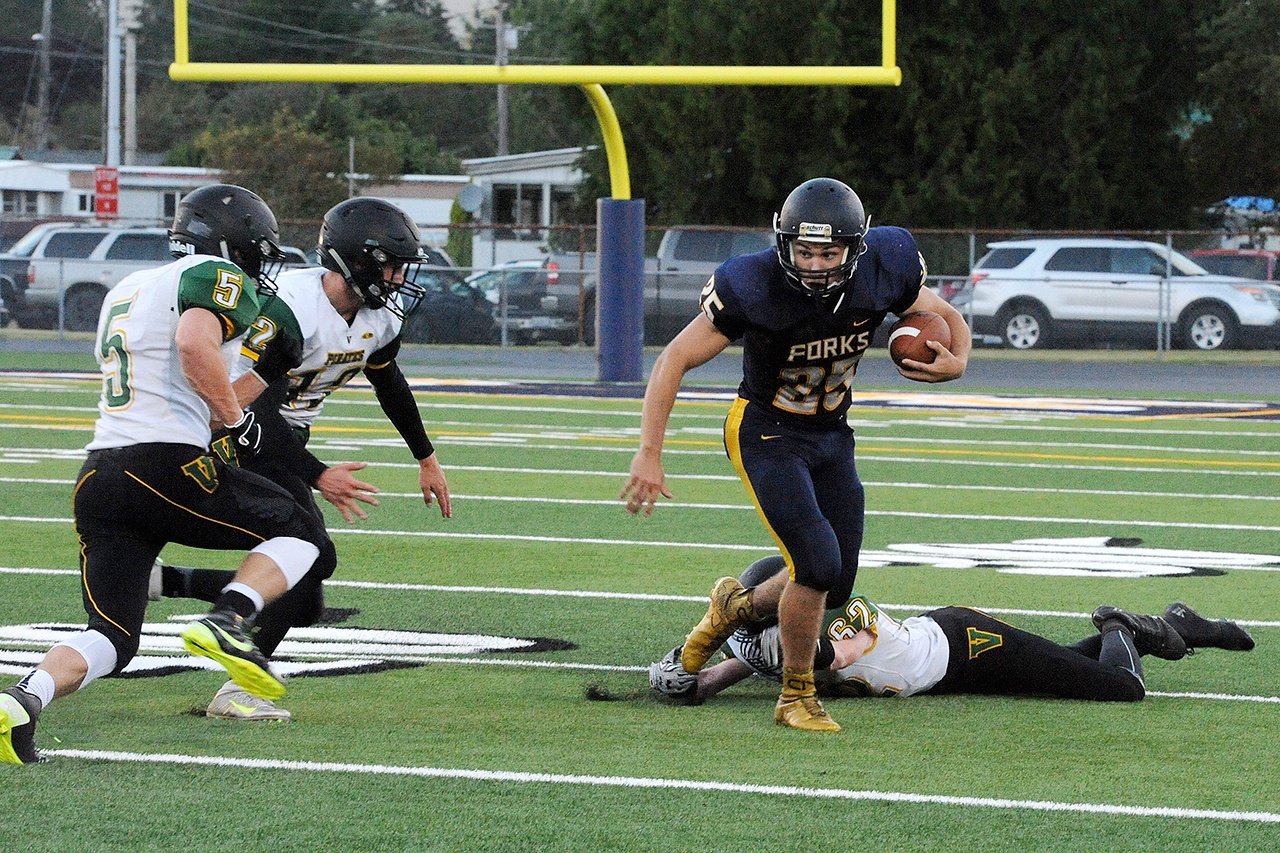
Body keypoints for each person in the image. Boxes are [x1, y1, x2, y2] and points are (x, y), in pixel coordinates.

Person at [621, 177, 972, 732]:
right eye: (802, 251)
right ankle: (796, 696)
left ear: (855, 248)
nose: (813, 265)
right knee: (814, 561)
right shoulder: (752, 283)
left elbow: (945, 318)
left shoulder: (886, 262)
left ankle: (731, 611)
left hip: (831, 433)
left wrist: (958, 362)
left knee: (836, 580)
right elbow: (674, 358)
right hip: (765, 430)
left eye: (827, 253)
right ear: (783, 243)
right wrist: (649, 452)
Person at [0, 185, 332, 764]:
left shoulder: (128, 287)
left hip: (99, 476)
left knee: (111, 639)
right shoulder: (211, 271)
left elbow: (184, 372)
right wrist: (237, 421)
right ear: (231, 244)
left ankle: (22, 702)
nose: (262, 263)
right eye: (258, 249)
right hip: (162, 464)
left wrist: (240, 390)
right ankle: (228, 618)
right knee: (304, 536)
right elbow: (191, 345)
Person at [150, 196, 453, 721]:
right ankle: (239, 684)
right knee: (312, 553)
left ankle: (166, 582)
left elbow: (387, 378)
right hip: (240, 432)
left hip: (284, 434)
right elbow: (249, 403)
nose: (399, 277)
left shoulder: (377, 317)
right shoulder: (291, 307)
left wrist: (425, 456)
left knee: (306, 595)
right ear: (355, 262)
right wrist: (317, 475)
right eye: (390, 265)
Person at [650, 556, 1256, 705]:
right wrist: (687, 684)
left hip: (967, 645)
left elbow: (831, 656)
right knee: (1069, 667)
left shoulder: (841, 619)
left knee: (1121, 689)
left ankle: (1125, 622)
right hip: (952, 667)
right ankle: (1179, 624)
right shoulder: (773, 635)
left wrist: (736, 645)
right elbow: (732, 670)